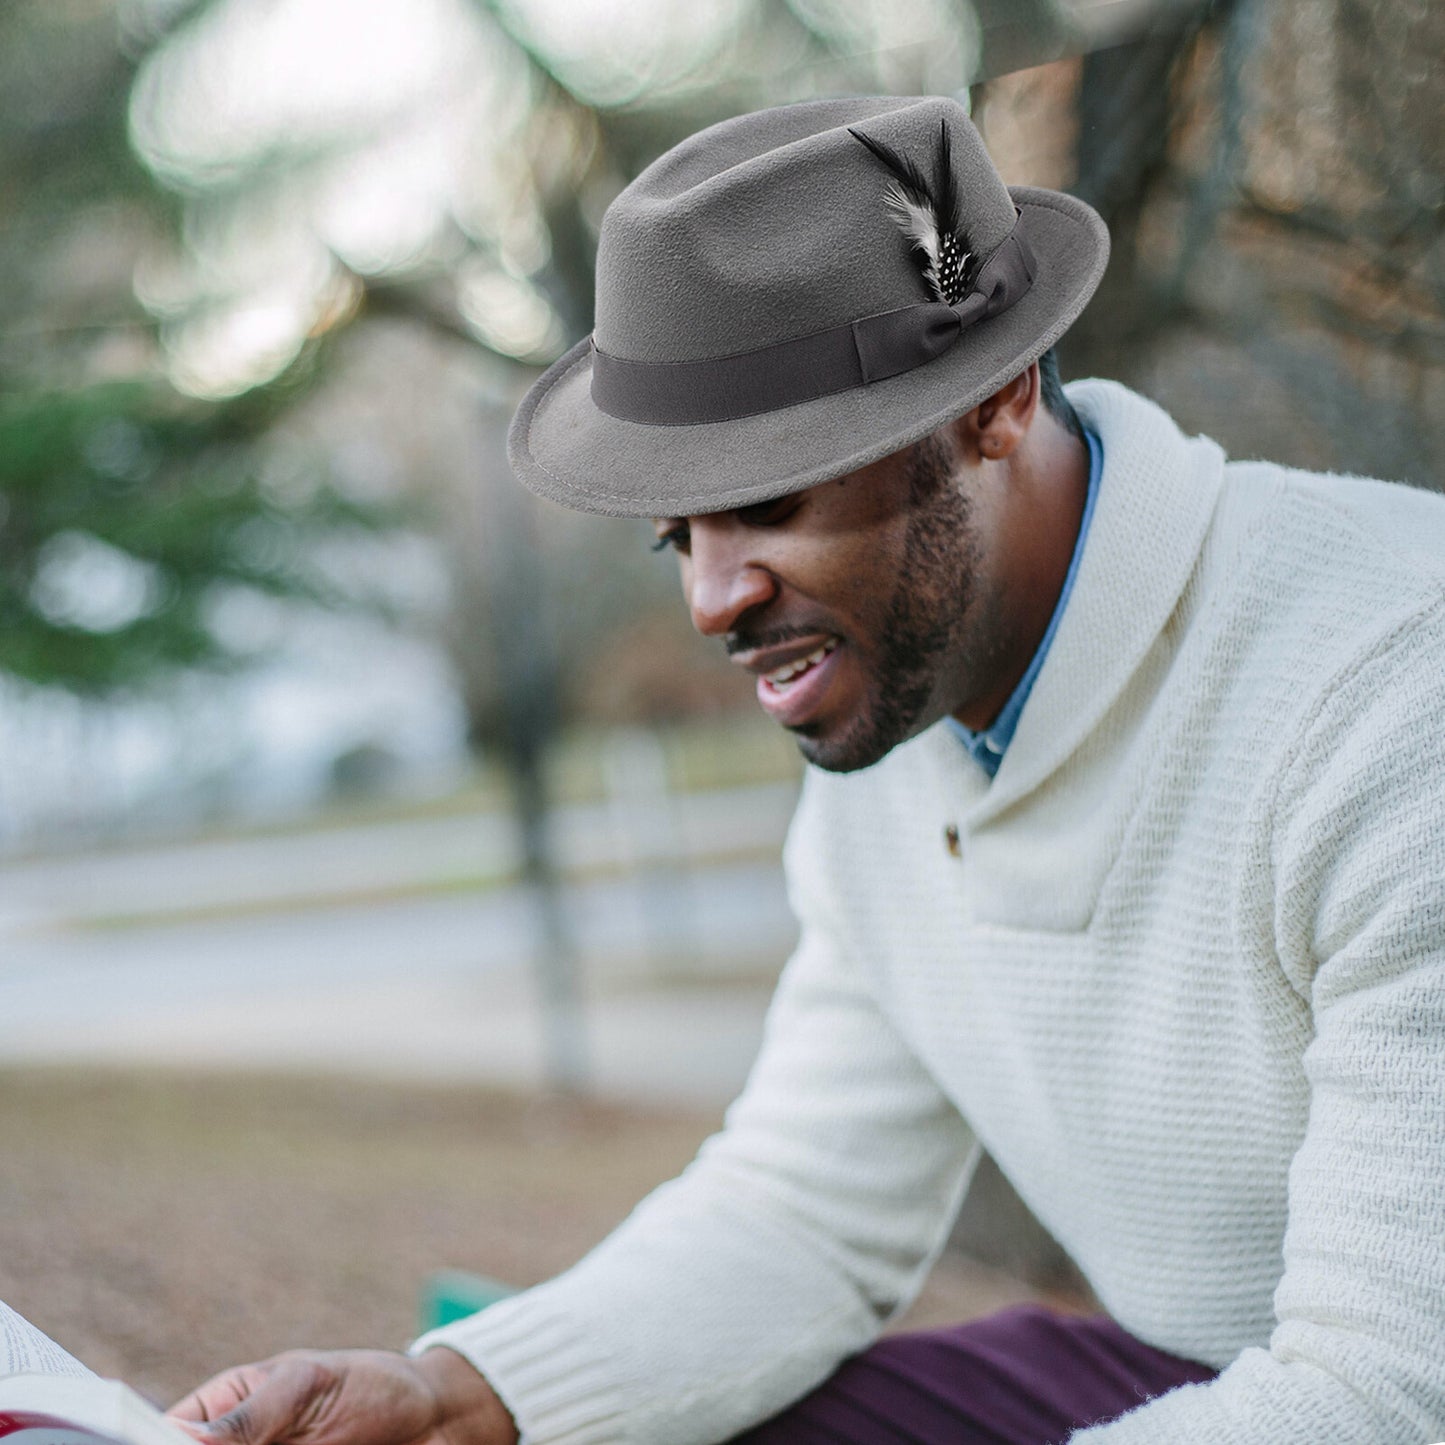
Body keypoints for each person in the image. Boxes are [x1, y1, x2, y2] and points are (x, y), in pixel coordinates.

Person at [168, 96, 1445, 1445]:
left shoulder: (1384, 694)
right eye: (678, 534)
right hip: (1197, 1373)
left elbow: (1388, 1391)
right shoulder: (903, 714)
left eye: (769, 499)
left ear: (997, 400)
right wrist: (452, 1394)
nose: (714, 599)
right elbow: (805, 1211)